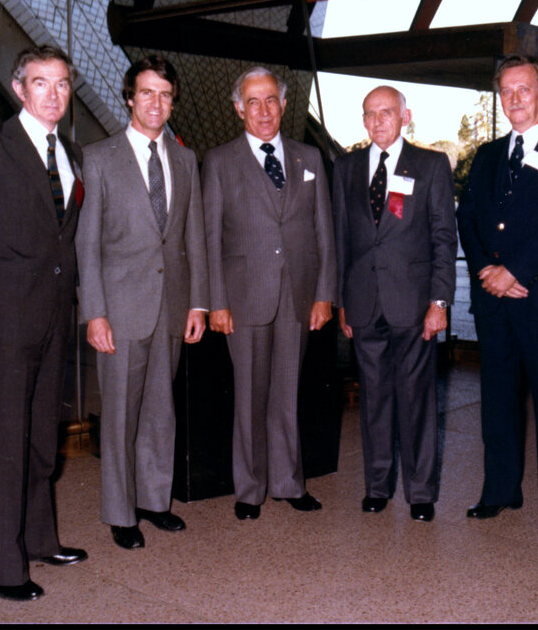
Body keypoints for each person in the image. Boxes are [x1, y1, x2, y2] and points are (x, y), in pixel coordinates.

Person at [0, 45, 88, 602]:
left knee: (43, 439)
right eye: (41, 83)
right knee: (7, 442)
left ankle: (37, 538)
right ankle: (1, 566)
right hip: (8, 319)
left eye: (61, 84)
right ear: (18, 88)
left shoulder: (70, 151)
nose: (53, 94)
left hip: (54, 315)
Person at [75, 57, 208, 551]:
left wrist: (198, 303)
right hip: (120, 309)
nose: (157, 103)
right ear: (129, 97)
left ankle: (155, 502)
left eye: (165, 95)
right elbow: (86, 245)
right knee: (120, 416)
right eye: (147, 93)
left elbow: (193, 236)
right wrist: (94, 313)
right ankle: (120, 512)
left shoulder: (185, 158)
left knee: (160, 411)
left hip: (171, 306)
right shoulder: (99, 157)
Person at [456, 56, 538, 536]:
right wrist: (487, 270)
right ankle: (500, 490)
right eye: (506, 91)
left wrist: (516, 270)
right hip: (494, 300)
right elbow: (467, 217)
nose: (514, 99)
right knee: (498, 401)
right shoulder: (487, 155)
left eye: (523, 89)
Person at [202, 66, 336, 520]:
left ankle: (288, 482)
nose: (263, 110)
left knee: (288, 392)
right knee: (250, 395)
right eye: (253, 102)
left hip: (297, 296)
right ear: (239, 108)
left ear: (283, 105)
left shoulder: (309, 158)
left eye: (271, 101)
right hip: (244, 297)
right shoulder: (220, 161)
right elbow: (209, 240)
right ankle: (250, 489)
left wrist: (324, 294)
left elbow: (324, 233)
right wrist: (216, 301)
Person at [332, 86, 456, 522]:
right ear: (363, 120)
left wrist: (440, 301)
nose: (378, 121)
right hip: (364, 304)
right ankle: (377, 485)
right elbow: (339, 240)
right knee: (375, 401)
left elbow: (444, 238)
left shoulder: (430, 165)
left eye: (387, 112)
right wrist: (342, 301)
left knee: (417, 399)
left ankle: (421, 491)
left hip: (414, 305)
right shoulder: (345, 168)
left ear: (406, 117)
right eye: (371, 114)